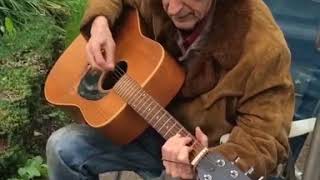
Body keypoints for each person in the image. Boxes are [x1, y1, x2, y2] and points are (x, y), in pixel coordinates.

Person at [46, 0, 295, 179]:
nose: (173, 9)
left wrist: (201, 165)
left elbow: (265, 139)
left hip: (203, 157)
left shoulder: (265, 48)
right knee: (62, 148)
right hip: (144, 128)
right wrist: (100, 23)